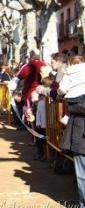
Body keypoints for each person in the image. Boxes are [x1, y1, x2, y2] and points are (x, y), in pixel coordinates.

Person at [57, 54, 85, 207]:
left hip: (79, 131)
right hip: (78, 131)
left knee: (82, 174)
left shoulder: (68, 73)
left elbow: (61, 89)